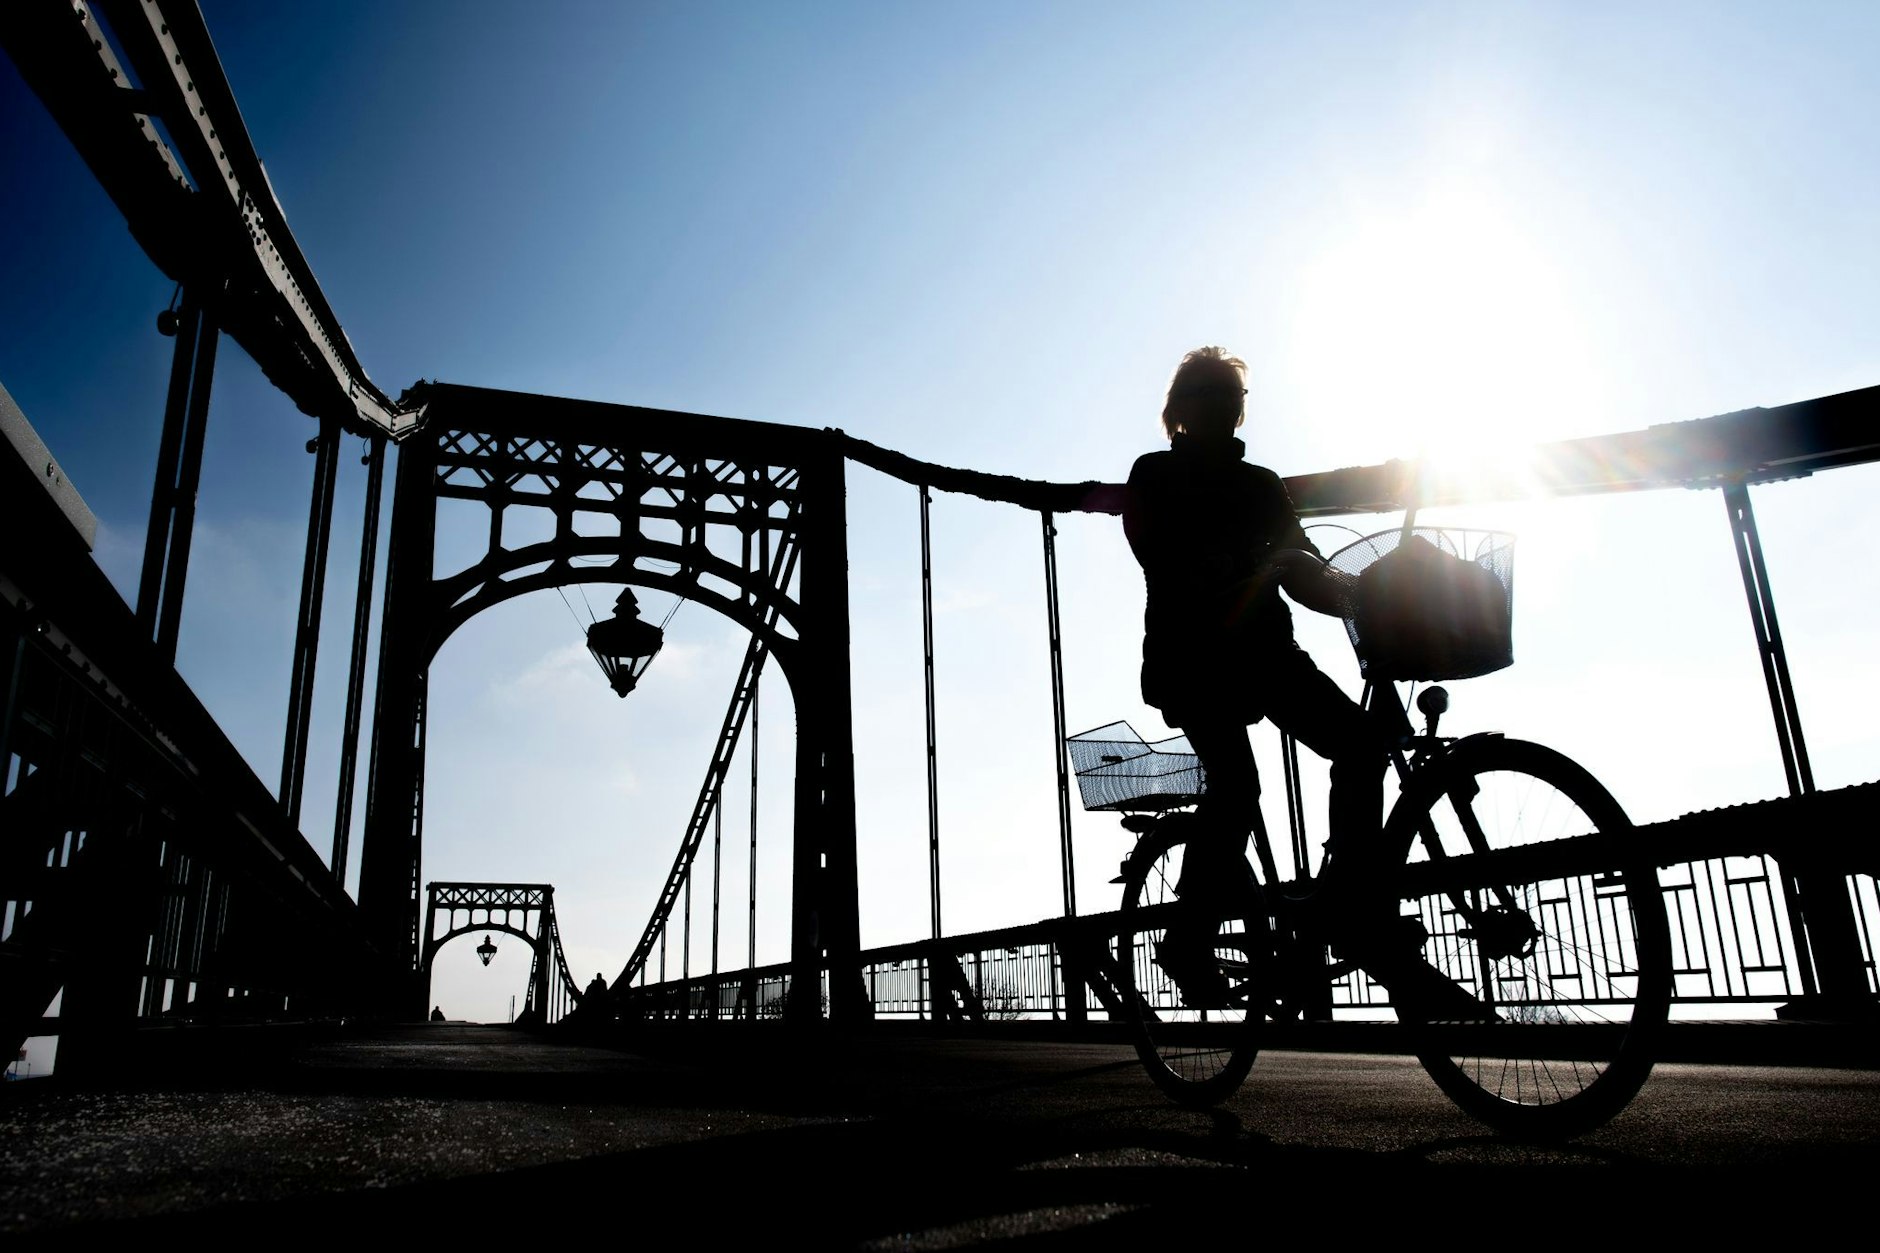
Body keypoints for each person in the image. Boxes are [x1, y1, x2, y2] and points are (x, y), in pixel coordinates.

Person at [1124, 346, 1394, 1006]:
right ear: (1179, 411)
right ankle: (1189, 937)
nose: (1223, 406)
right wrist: (1246, 567)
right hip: (1195, 662)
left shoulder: (1261, 485)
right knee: (1238, 786)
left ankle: (1349, 903)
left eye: (1230, 395)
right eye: (1208, 394)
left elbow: (1303, 565)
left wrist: (1357, 591)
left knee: (1362, 746)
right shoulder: (1154, 476)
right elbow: (1160, 554)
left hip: (1267, 655)